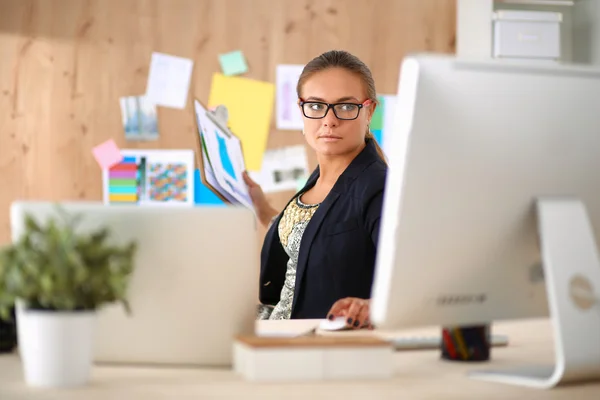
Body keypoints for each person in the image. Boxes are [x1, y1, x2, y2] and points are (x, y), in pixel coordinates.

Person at [243, 50, 387, 329]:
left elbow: (410, 281)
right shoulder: (320, 177)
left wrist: (373, 306)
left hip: (317, 347)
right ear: (302, 110)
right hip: (274, 328)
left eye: (346, 107)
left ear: (369, 111)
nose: (329, 120)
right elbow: (311, 237)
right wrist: (262, 209)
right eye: (316, 105)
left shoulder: (378, 188)